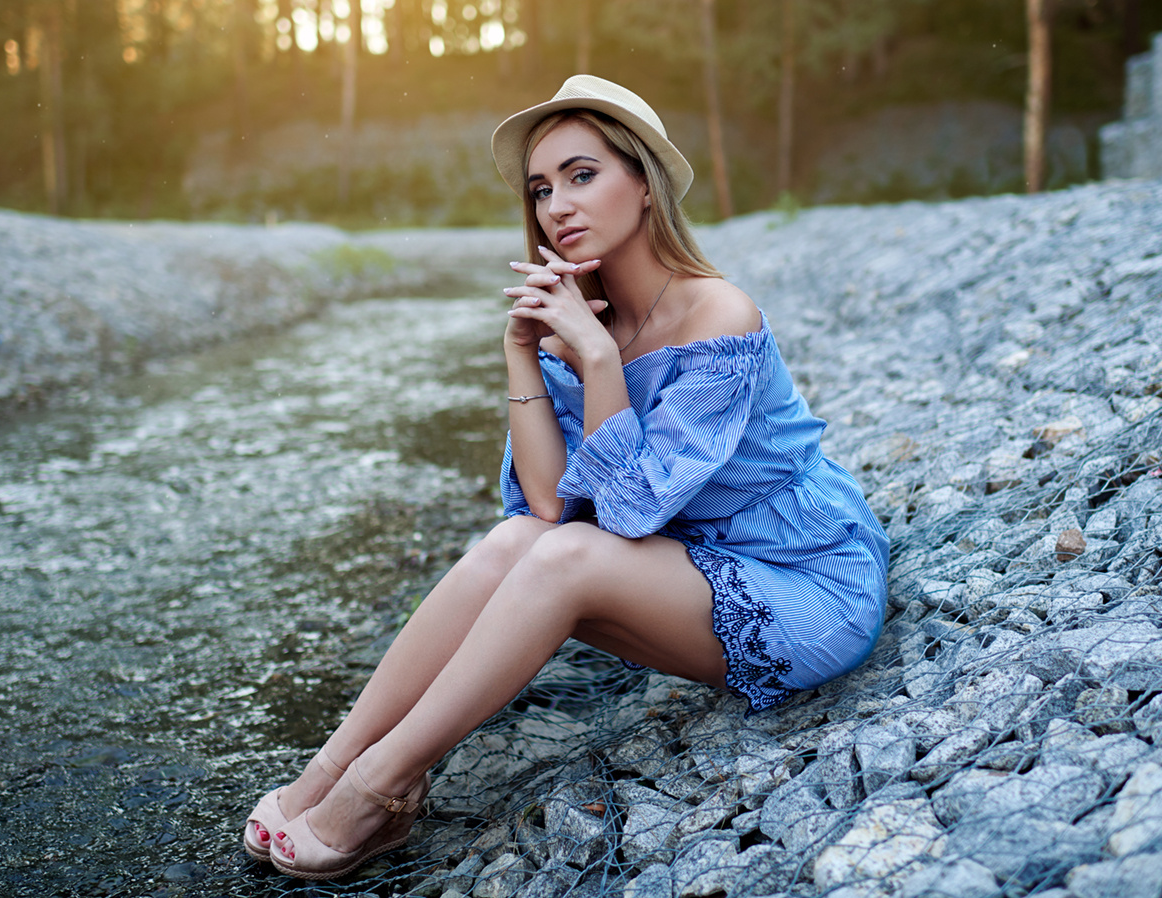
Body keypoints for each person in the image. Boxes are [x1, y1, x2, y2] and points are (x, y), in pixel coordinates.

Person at [240, 75, 889, 881]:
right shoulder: (578, 324)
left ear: (645, 184)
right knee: (515, 541)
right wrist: (522, 353)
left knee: (563, 556)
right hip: (688, 569)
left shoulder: (718, 315)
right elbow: (547, 507)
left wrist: (595, 358)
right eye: (542, 189)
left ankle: (382, 786)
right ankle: (329, 769)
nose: (557, 205)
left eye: (582, 175)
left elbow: (623, 516)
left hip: (802, 583)